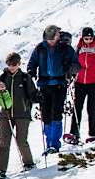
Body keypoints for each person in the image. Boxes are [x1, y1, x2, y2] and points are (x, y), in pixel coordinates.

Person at [27, 25, 81, 154]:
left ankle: (54, 144)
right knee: (46, 115)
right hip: (44, 85)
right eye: (50, 38)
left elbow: (76, 65)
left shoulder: (66, 48)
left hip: (59, 84)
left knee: (56, 113)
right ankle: (49, 143)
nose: (51, 40)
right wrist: (31, 71)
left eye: (54, 37)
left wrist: (70, 70)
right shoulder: (40, 48)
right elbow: (32, 62)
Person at [0, 52, 39, 179]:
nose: (11, 67)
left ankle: (28, 162)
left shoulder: (25, 77)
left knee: (21, 141)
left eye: (14, 64)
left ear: (19, 64)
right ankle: (0, 170)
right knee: (4, 142)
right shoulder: (2, 78)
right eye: (9, 64)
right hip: (5, 114)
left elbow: (32, 94)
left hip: (22, 114)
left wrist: (38, 97)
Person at [68, 27, 95, 143]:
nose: (88, 40)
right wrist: (72, 73)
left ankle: (93, 134)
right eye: (86, 38)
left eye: (90, 38)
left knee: (92, 108)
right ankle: (74, 133)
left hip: (93, 83)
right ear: (82, 38)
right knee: (77, 107)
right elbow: (73, 62)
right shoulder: (78, 48)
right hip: (79, 83)